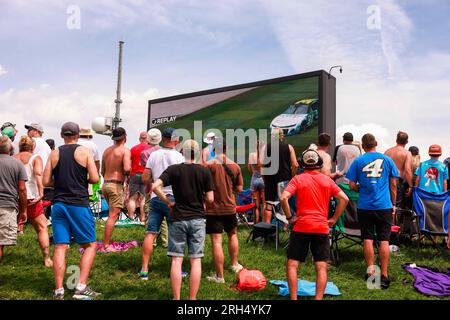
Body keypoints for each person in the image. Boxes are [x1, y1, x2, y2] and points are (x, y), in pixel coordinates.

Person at [280, 149, 349, 300]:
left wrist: (290, 217)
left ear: (303, 164)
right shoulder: (327, 180)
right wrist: (334, 219)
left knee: (292, 264)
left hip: (302, 226)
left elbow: (284, 198)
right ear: (318, 163)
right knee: (321, 266)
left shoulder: (297, 179)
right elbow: (344, 199)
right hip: (321, 227)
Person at [43, 122, 100, 300]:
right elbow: (95, 177)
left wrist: (60, 182)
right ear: (77, 135)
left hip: (58, 204)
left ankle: (59, 290)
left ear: (62, 135)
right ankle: (80, 287)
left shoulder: (54, 153)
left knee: (60, 246)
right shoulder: (85, 152)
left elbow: (45, 181)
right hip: (78, 203)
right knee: (90, 245)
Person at [152, 139, 214, 300]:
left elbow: (154, 186)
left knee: (176, 260)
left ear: (182, 153)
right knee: (195, 260)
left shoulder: (173, 170)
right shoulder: (204, 171)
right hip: (197, 219)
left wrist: (167, 201)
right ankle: (192, 299)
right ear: (198, 153)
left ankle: (177, 298)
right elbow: (211, 199)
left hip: (178, 217)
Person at [346, 133, 399, 289]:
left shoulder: (358, 161)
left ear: (362, 146)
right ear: (376, 143)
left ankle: (371, 273)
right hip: (384, 205)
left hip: (365, 205)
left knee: (367, 238)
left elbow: (351, 185)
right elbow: (394, 185)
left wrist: (360, 187)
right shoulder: (388, 160)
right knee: (384, 239)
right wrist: (393, 204)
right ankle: (384, 274)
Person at [139, 128, 184, 280]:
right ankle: (176, 269)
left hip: (155, 197)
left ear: (163, 138)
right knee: (175, 235)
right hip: (172, 198)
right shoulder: (179, 156)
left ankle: (144, 269)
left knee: (150, 233)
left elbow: (145, 178)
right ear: (175, 139)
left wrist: (155, 184)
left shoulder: (154, 155)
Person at [205, 137, 244, 284]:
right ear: (227, 149)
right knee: (232, 234)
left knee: (216, 241)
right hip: (230, 207)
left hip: (213, 209)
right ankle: (234, 264)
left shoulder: (208, 165)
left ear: (213, 149)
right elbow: (239, 188)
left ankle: (219, 276)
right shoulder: (235, 166)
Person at [14, 136, 52, 267]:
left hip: (15, 197)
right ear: (33, 147)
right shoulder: (35, 158)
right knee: (42, 228)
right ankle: (47, 258)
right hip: (31, 197)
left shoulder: (13, 158)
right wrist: (41, 194)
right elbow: (38, 175)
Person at [101, 127, 131, 252]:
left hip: (106, 184)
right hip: (116, 185)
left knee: (111, 214)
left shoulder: (106, 151)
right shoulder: (124, 151)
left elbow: (102, 171)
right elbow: (127, 169)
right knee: (113, 216)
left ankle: (106, 242)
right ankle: (106, 246)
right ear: (125, 137)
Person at [262, 128, 298, 223]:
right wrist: (292, 177)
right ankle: (286, 226)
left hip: (269, 179)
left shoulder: (266, 147)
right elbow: (295, 165)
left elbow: (262, 165)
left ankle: (267, 228)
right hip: (284, 179)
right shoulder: (289, 147)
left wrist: (265, 179)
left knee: (269, 204)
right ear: (281, 136)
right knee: (285, 202)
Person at [0, 136, 27, 262]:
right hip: (7, 207)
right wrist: (23, 211)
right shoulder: (17, 164)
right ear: (10, 148)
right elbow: (22, 189)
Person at [384, 131, 413, 209]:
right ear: (406, 142)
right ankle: (395, 221)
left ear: (396, 140)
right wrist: (410, 186)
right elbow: (407, 169)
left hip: (385, 181)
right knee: (397, 207)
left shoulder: (387, 152)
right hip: (397, 181)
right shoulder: (407, 153)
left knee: (386, 204)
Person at [128, 132, 151, 221]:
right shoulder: (150, 149)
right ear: (147, 138)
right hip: (146, 175)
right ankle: (143, 219)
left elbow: (129, 164)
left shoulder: (133, 149)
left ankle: (130, 218)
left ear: (140, 138)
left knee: (132, 198)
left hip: (134, 174)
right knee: (143, 198)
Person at [248, 140, 265, 223]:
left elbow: (249, 168)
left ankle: (256, 223)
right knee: (265, 204)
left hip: (254, 179)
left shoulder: (251, 155)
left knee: (256, 206)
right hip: (263, 179)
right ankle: (265, 224)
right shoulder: (264, 155)